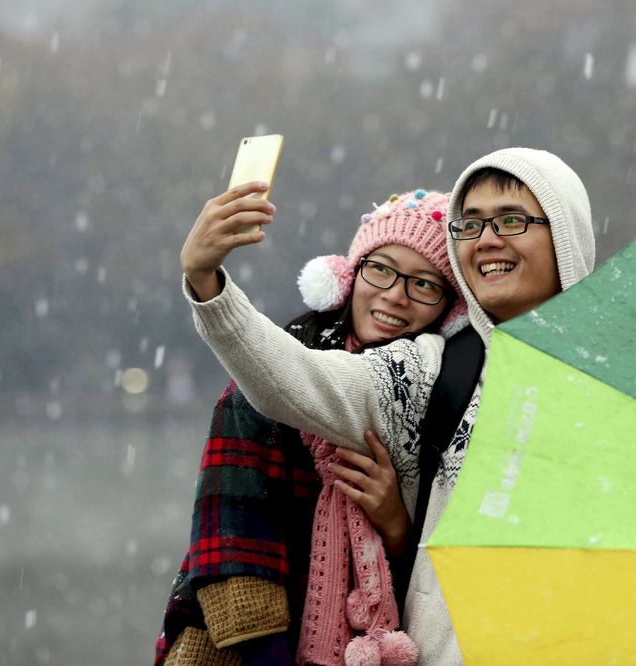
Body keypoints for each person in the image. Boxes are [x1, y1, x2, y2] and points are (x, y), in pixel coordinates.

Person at [156, 187, 467, 666]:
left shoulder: (442, 398)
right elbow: (231, 542)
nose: (395, 296)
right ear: (347, 274)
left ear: (448, 307)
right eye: (380, 269)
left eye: (424, 284)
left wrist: (396, 524)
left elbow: (437, 579)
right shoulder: (271, 376)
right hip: (249, 649)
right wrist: (203, 276)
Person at [393, 147, 596, 663]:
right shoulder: (444, 369)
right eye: (472, 224)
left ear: (565, 236)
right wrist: (210, 287)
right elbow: (303, 382)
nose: (486, 241)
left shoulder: (622, 390)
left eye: (511, 220)